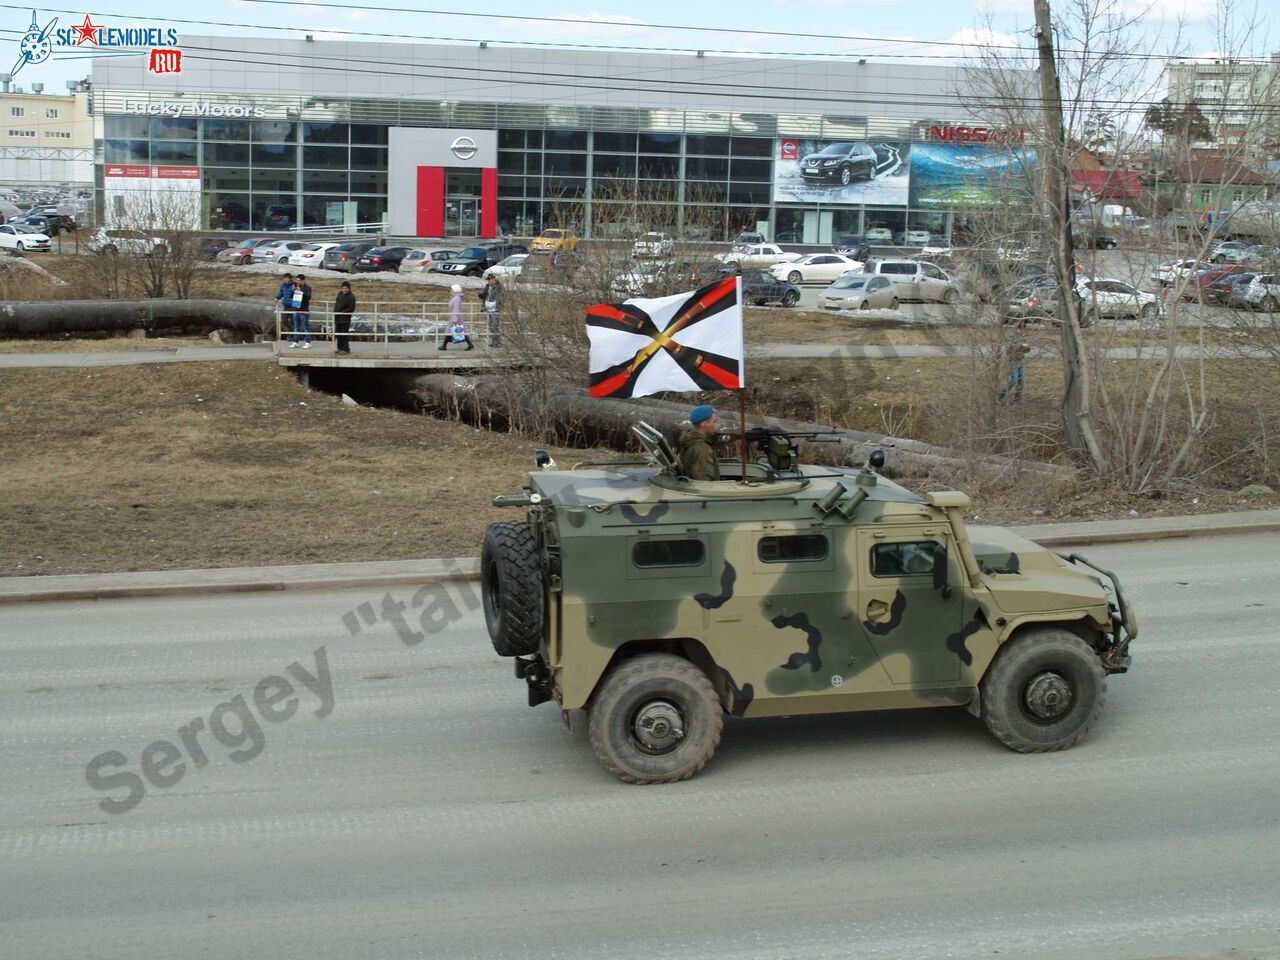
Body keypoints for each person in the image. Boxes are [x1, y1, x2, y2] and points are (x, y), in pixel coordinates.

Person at [678, 404, 721, 481]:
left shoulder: (690, 441)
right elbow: (704, 483)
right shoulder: (701, 449)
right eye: (714, 421)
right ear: (703, 424)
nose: (716, 425)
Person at [996, 323, 1030, 404]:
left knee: (1021, 381)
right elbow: (1011, 348)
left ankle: (1017, 398)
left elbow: (1027, 350)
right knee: (1014, 380)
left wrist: (1027, 347)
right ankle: (999, 396)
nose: (1021, 331)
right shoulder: (1011, 337)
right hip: (1013, 361)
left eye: (1023, 330)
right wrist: (1021, 346)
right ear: (1017, 329)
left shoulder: (1023, 337)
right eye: (1020, 329)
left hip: (1020, 361)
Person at [439, 284, 473, 350]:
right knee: (458, 331)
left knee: (455, 331)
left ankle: (444, 346)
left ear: (455, 290)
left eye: (451, 290)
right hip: (455, 316)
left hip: (455, 317)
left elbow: (456, 308)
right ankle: (470, 344)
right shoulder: (456, 297)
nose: (450, 291)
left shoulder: (456, 298)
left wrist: (455, 319)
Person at [289, 273, 313, 349]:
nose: (297, 282)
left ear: (303, 281)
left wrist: (301, 292)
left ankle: (308, 342)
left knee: (306, 326)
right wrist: (293, 291)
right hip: (296, 309)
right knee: (296, 326)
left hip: (304, 309)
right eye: (297, 280)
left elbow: (308, 297)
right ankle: (295, 341)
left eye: (299, 280)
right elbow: (291, 296)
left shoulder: (307, 288)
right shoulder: (295, 287)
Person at [333, 281, 356, 354]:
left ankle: (346, 348)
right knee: (338, 334)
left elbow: (351, 308)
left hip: (345, 318)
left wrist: (342, 312)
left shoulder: (351, 297)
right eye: (343, 288)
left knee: (344, 334)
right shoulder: (340, 294)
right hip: (337, 317)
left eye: (346, 288)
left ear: (349, 288)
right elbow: (337, 304)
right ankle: (339, 348)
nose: (344, 289)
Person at [481, 274, 501, 347]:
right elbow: (485, 296)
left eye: (490, 280)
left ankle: (497, 342)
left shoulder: (499, 287)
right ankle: (493, 341)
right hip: (489, 308)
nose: (489, 281)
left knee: (495, 325)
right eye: (488, 280)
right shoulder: (487, 287)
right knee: (491, 326)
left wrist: (499, 304)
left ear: (494, 279)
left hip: (495, 309)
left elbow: (500, 296)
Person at [275, 272, 295, 342]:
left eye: (286, 278)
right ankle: (290, 332)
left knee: (293, 321)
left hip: (293, 306)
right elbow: (281, 293)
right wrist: (277, 298)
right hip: (286, 306)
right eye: (284, 279)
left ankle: (292, 336)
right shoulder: (283, 285)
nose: (285, 280)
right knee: (284, 320)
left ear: (290, 279)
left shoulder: (294, 285)